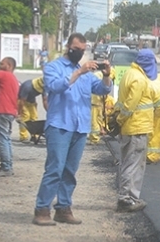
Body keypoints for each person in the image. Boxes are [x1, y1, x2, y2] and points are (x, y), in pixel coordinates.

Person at [33, 33, 113, 226]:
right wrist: (78, 73)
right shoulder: (54, 67)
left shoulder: (86, 73)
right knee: (55, 169)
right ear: (68, 47)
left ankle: (63, 208)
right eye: (76, 49)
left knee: (70, 171)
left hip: (80, 127)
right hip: (60, 125)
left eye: (82, 50)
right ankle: (42, 209)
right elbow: (55, 86)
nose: (79, 52)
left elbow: (103, 89)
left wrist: (107, 75)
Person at [112, 49, 157, 212]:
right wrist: (120, 119)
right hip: (136, 127)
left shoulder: (129, 74)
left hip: (130, 127)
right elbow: (130, 105)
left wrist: (119, 121)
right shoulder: (138, 79)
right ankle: (126, 199)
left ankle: (129, 198)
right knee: (133, 165)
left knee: (129, 163)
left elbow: (122, 102)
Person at [17, 76, 46, 143]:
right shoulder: (27, 87)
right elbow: (22, 101)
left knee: (34, 117)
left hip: (31, 101)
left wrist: (49, 111)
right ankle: (23, 137)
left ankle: (34, 135)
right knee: (25, 116)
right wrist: (19, 113)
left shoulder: (44, 85)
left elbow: (45, 100)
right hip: (21, 101)